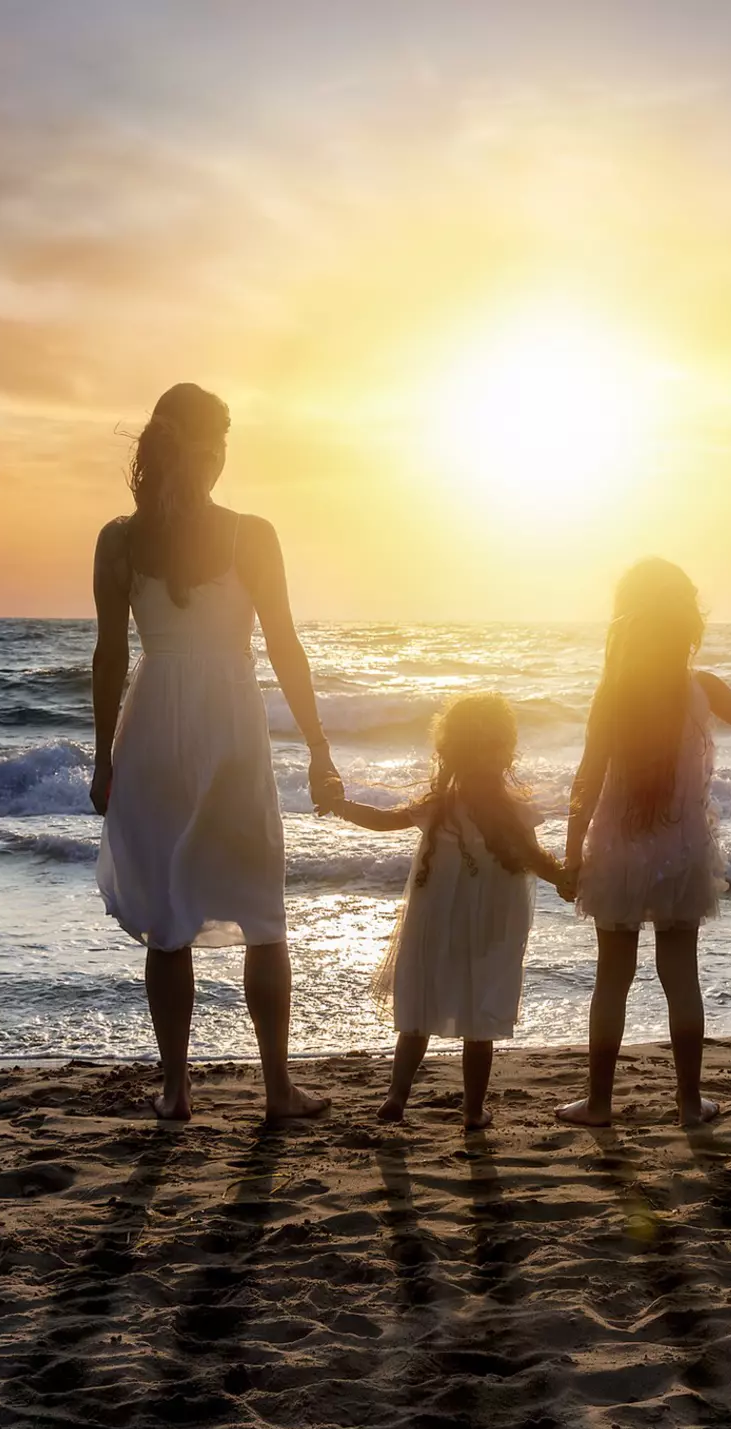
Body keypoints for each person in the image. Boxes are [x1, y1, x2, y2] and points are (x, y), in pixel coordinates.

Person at [89, 382, 343, 1123]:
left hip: (153, 725)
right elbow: (286, 646)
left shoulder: (119, 538)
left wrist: (104, 758)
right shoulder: (250, 533)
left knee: (168, 920)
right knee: (262, 911)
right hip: (229, 722)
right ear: (213, 448)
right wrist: (318, 745)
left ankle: (175, 1088)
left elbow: (109, 656)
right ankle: (275, 1091)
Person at [558, 559, 731, 1128]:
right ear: (685, 624)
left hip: (619, 852)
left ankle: (599, 1104)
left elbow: (587, 778)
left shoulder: (613, 693)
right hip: (681, 853)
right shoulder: (702, 688)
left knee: (612, 978)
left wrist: (572, 852)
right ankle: (688, 1103)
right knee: (681, 977)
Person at [327, 693, 569, 1130]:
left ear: (448, 749)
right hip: (492, 925)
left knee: (418, 1013)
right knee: (479, 1020)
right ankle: (473, 1111)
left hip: (436, 921)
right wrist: (570, 881)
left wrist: (341, 806)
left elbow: (383, 820)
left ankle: (397, 1098)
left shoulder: (440, 807)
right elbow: (537, 859)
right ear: (507, 749)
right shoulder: (512, 810)